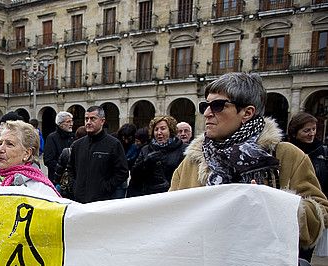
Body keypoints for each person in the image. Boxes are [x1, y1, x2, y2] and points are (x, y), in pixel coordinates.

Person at [170, 72, 328, 256]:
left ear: (247, 112)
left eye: (218, 106)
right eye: (205, 106)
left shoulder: (286, 155)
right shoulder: (193, 160)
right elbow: (172, 213)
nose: (207, 113)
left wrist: (273, 203)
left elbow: (320, 216)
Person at [66, 105, 129, 203]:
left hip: (102, 202)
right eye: (86, 119)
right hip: (79, 201)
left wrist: (105, 188)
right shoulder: (77, 145)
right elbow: (70, 169)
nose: (88, 122)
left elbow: (122, 172)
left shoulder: (113, 144)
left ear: (102, 121)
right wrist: (75, 186)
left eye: (93, 119)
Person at [0, 120, 59, 197]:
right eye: (0, 143)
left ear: (27, 154)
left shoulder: (42, 193)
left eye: (10, 144)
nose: (0, 149)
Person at [128, 115, 187, 197]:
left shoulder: (183, 149)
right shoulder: (146, 149)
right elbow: (134, 175)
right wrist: (146, 162)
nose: (159, 132)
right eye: (156, 129)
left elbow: (185, 176)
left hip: (172, 195)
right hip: (149, 195)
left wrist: (169, 184)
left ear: (170, 130)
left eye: (163, 128)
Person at [288, 112, 328, 194]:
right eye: (307, 130)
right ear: (294, 133)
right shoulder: (286, 150)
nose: (312, 133)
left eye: (314, 129)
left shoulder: (323, 151)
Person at [55, 126, 87, 199]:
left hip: (68, 188)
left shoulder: (66, 152)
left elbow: (58, 171)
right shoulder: (90, 152)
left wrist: (57, 181)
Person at [43, 111, 74, 183]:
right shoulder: (52, 137)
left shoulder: (72, 137)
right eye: (68, 122)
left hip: (72, 178)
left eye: (72, 121)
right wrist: (63, 169)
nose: (71, 124)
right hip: (57, 178)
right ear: (60, 124)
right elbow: (48, 160)